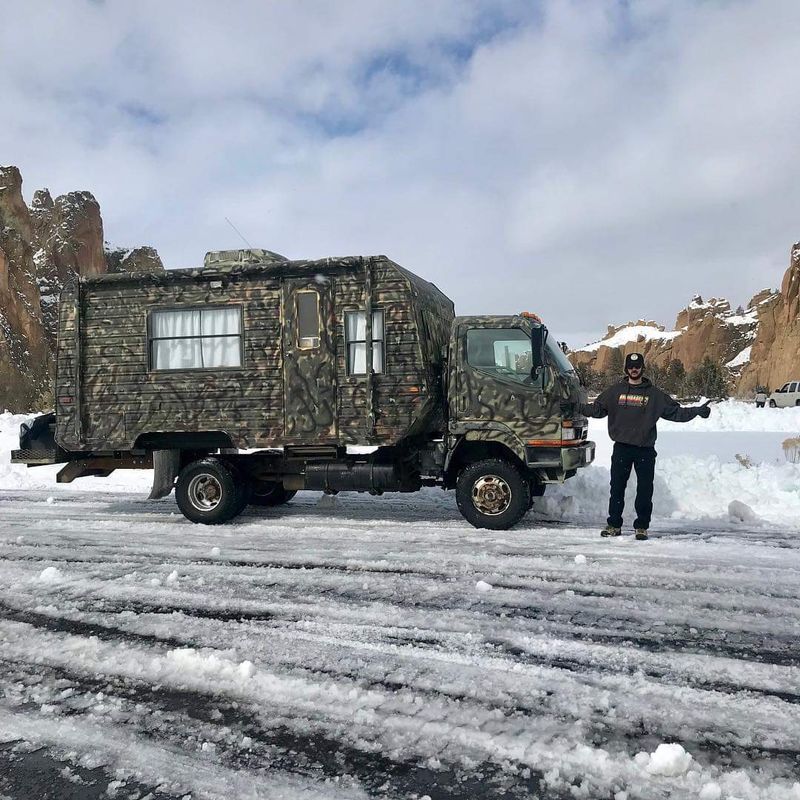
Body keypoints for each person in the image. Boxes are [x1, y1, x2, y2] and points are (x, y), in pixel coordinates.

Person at [580, 352, 711, 540]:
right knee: (616, 487)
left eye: (637, 366)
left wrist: (697, 411)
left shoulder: (654, 395)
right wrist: (576, 407)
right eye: (631, 366)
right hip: (622, 448)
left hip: (645, 449)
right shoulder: (615, 392)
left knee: (645, 489)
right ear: (626, 368)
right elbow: (597, 409)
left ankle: (641, 527)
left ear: (642, 368)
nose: (634, 369)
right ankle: (613, 525)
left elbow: (676, 413)